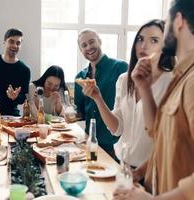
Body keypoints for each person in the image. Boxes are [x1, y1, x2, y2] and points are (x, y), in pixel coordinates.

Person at [113, 0, 194, 199]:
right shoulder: (181, 77)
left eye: (165, 23)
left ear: (178, 21)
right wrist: (141, 171)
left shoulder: (192, 82)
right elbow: (163, 138)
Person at [79, 20, 173, 168]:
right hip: (121, 165)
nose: (144, 46)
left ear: (165, 46)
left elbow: (166, 137)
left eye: (154, 40)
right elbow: (117, 129)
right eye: (140, 39)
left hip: (152, 172)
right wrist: (97, 98)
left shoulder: (171, 82)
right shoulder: (124, 79)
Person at [74, 29, 128, 158]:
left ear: (100, 41)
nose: (89, 47)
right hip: (90, 142)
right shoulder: (80, 77)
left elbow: (130, 108)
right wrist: (64, 109)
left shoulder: (121, 68)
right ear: (81, 50)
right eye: (84, 45)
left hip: (115, 144)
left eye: (92, 42)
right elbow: (80, 113)